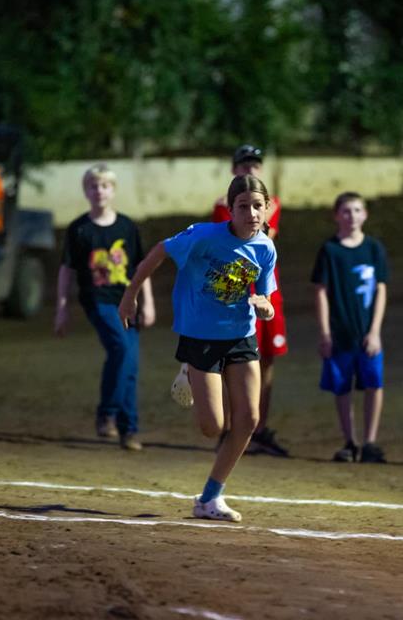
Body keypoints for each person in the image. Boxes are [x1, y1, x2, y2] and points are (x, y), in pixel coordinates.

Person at [120, 174, 277, 522]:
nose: (251, 213)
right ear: (230, 209)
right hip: (201, 337)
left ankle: (209, 499)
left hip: (240, 335)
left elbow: (265, 295)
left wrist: (265, 306)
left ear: (268, 209)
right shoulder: (204, 236)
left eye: (257, 206)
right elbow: (160, 250)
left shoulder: (266, 247)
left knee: (249, 419)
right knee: (212, 428)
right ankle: (189, 370)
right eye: (242, 206)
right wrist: (130, 294)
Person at [55, 164, 155, 450]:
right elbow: (67, 269)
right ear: (86, 191)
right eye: (93, 186)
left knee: (131, 364)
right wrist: (61, 307)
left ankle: (129, 430)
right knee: (120, 349)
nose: (99, 191)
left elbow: (140, 266)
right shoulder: (79, 228)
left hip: (128, 300)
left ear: (113, 190)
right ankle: (106, 414)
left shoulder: (126, 226)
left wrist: (147, 302)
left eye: (104, 186)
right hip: (98, 301)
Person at [208, 144, 289, 457]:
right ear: (234, 170)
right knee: (236, 359)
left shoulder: (271, 205)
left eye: (254, 166)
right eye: (244, 166)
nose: (250, 171)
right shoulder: (224, 207)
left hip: (267, 289)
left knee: (267, 357)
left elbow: (264, 238)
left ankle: (259, 428)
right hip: (237, 288)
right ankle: (232, 428)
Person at [311, 192, 389, 463]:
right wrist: (325, 332)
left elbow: (380, 289)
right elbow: (320, 292)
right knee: (342, 386)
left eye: (357, 210)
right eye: (346, 211)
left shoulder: (373, 248)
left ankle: (370, 442)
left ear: (365, 214)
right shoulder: (330, 250)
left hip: (367, 331)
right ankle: (350, 441)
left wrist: (375, 330)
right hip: (340, 331)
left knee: (373, 383)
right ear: (336, 215)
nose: (352, 216)